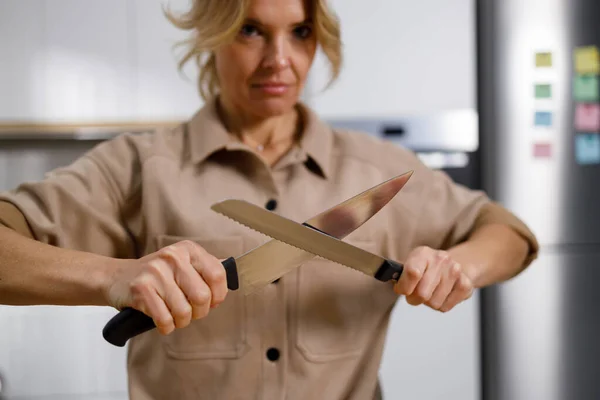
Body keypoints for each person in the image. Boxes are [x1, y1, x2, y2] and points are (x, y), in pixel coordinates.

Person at [0, 0, 539, 399]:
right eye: (251, 31)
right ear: (213, 36)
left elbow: (508, 233)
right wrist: (112, 278)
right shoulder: (140, 167)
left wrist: (458, 266)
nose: (278, 60)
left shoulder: (374, 173)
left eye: (300, 32)